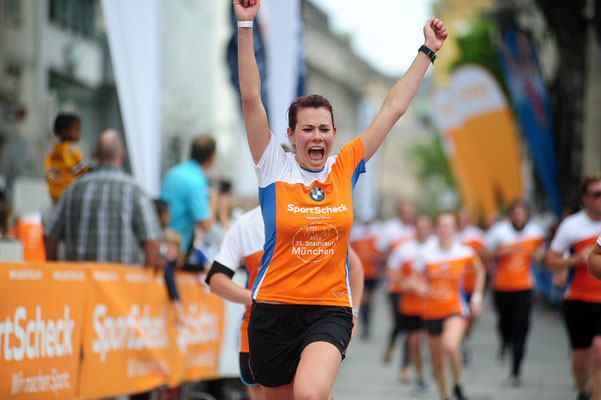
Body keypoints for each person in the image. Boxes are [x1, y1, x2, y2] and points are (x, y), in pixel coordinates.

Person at [234, 0, 447, 398]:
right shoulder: (272, 165)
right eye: (307, 129)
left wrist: (427, 51)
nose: (317, 136)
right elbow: (250, 99)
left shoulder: (345, 164)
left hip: (328, 309)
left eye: (324, 129)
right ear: (292, 133)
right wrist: (245, 26)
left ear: (335, 132)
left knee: (310, 393)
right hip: (273, 310)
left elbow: (393, 108)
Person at [205, 206, 364, 400]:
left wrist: (353, 313)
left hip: (312, 325)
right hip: (263, 330)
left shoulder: (317, 216)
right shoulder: (247, 224)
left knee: (312, 394)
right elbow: (216, 279)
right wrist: (259, 298)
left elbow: (354, 267)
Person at [43, 130, 162, 268]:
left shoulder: (74, 189)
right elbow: (152, 242)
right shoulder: (135, 190)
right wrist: (146, 278)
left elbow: (50, 235)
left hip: (80, 283)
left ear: (95, 154)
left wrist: (55, 269)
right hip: (123, 285)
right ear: (122, 155)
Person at [409, 212, 485, 400]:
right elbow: (411, 278)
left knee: (450, 346)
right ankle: (445, 395)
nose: (444, 229)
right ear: (436, 229)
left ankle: (457, 383)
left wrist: (476, 297)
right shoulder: (426, 254)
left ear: (455, 229)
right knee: (438, 362)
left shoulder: (464, 252)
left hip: (455, 309)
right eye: (441, 225)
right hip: (432, 311)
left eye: (449, 225)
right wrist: (419, 286)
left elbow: (480, 270)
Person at [546, 174, 601, 400]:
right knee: (581, 359)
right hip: (577, 298)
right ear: (585, 198)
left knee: (599, 353)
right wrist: (575, 260)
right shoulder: (572, 226)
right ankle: (582, 390)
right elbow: (550, 260)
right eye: (597, 194)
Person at [484, 200, 545, 386]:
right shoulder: (499, 231)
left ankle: (516, 371)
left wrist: (538, 256)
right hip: (501, 286)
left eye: (522, 214)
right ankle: (505, 341)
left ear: (527, 215)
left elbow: (544, 256)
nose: (519, 217)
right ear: (510, 215)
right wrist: (501, 253)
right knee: (504, 322)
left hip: (524, 286)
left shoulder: (535, 232)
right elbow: (484, 253)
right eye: (515, 214)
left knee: (521, 326)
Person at [387, 214, 434, 395]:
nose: (422, 231)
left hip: (434, 305)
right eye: (419, 227)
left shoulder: (437, 247)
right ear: (415, 229)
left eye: (426, 227)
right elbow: (391, 270)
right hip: (411, 305)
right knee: (414, 343)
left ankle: (436, 371)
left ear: (431, 229)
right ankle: (421, 378)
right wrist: (406, 281)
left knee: (432, 344)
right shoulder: (404, 249)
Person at [160, 135, 216, 255]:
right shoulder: (197, 182)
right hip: (177, 249)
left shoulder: (172, 172)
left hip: (162, 242)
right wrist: (214, 200)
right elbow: (205, 224)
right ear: (212, 158)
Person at [379, 200, 417, 373]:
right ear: (398, 212)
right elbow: (380, 251)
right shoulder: (390, 229)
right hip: (395, 285)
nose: (407, 215)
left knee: (411, 328)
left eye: (410, 212)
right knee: (399, 323)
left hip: (413, 288)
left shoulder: (418, 229)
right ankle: (391, 344)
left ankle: (405, 366)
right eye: (404, 212)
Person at [455, 206, 487, 365]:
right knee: (460, 315)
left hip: (472, 283)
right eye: (461, 217)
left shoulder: (477, 236)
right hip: (457, 286)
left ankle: (465, 340)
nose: (463, 220)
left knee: (470, 316)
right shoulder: (452, 234)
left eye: (466, 217)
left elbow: (485, 256)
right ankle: (458, 342)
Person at [44, 113, 88, 204]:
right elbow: (82, 170)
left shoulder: (53, 152)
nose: (78, 133)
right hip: (69, 194)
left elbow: (49, 171)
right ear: (63, 132)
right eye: (76, 129)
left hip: (54, 195)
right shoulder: (72, 151)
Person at [350, 216, 382, 339]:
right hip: (361, 273)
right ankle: (365, 324)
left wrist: (374, 258)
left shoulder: (376, 234)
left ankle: (368, 322)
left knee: (370, 301)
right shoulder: (356, 233)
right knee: (364, 298)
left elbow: (381, 254)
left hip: (373, 273)